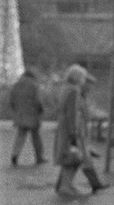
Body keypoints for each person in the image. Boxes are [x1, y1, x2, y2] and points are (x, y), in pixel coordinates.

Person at [53, 64, 108, 197]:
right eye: (83, 77)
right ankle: (65, 186)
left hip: (63, 128)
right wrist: (74, 132)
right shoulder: (73, 91)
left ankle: (64, 185)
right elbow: (72, 113)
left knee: (71, 157)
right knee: (74, 157)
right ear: (78, 77)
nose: (84, 80)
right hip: (70, 130)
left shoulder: (65, 89)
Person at [9, 68, 45, 166]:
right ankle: (39, 157)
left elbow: (11, 101)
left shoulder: (16, 85)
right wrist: (41, 110)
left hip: (20, 115)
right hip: (32, 115)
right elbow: (38, 100)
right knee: (36, 137)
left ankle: (15, 155)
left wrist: (16, 110)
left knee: (20, 136)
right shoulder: (34, 85)